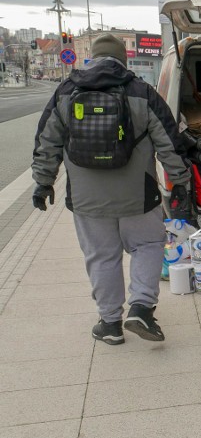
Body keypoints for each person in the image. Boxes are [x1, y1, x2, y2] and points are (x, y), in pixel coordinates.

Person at [32, 33, 192, 345]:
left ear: (91, 57)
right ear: (124, 59)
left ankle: (109, 323)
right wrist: (181, 184)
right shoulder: (141, 92)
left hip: (86, 198)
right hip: (139, 195)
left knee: (101, 256)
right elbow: (170, 145)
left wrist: (43, 182)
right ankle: (142, 307)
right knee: (147, 245)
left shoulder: (66, 91)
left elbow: (46, 141)